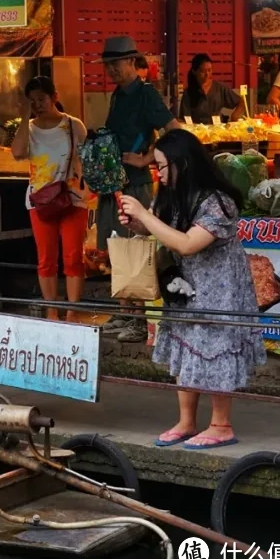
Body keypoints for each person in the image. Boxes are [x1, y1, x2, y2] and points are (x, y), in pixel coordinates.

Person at [118, 129, 265, 450]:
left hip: (219, 290)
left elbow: (186, 244)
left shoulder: (217, 201)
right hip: (185, 286)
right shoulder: (171, 194)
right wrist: (137, 223)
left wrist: (145, 215)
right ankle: (186, 421)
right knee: (187, 346)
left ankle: (221, 425)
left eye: (162, 166)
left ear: (182, 164)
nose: (158, 173)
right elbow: (163, 228)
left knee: (216, 349)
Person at [97, 37, 182, 342]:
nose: (111, 71)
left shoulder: (146, 95)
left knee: (138, 250)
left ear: (132, 62)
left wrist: (147, 158)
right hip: (113, 182)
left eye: (115, 64)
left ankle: (140, 320)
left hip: (136, 184)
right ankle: (124, 313)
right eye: (107, 66)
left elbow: (176, 131)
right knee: (116, 251)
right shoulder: (118, 94)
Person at [10, 76, 88, 323]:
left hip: (73, 198)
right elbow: (18, 153)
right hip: (41, 201)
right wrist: (24, 117)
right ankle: (52, 310)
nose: (37, 105)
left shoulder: (74, 125)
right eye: (32, 101)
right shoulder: (29, 129)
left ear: (55, 97)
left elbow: (85, 159)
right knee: (46, 259)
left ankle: (73, 311)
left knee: (73, 257)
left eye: (41, 99)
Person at [181, 54, 244, 124]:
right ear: (194, 71)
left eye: (209, 70)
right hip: (198, 130)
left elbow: (241, 102)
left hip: (218, 130)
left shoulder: (220, 88)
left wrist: (235, 115)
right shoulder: (188, 93)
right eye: (203, 71)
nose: (207, 74)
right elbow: (184, 118)